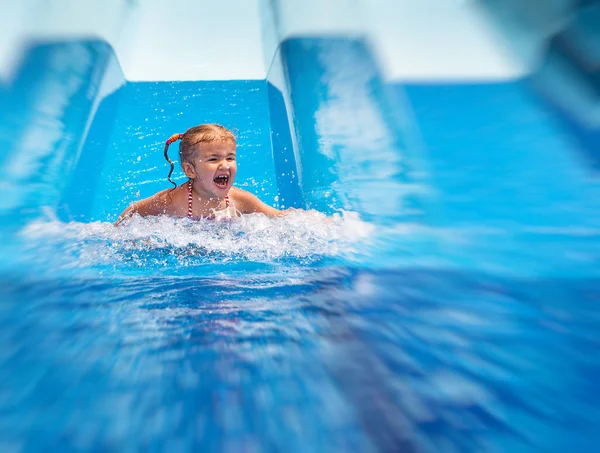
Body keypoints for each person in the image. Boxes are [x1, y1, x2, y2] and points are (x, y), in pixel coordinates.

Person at [115, 124, 288, 225]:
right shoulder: (172, 201)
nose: (225, 165)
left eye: (230, 158)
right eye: (213, 159)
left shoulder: (240, 200)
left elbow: (279, 218)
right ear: (190, 170)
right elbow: (131, 213)